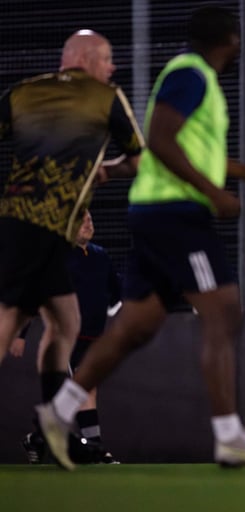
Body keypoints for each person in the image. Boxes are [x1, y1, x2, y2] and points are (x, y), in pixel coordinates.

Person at [36, 5, 245, 470]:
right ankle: (229, 436)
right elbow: (159, 138)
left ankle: (57, 412)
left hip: (156, 211)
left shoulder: (199, 82)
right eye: (237, 38)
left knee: (135, 327)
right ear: (229, 40)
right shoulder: (190, 74)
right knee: (223, 310)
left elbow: (191, 148)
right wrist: (214, 195)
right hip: (175, 214)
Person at [0, 28, 142, 430]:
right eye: (107, 58)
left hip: (26, 225)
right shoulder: (105, 97)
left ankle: (52, 421)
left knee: (66, 322)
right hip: (41, 226)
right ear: (86, 59)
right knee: (9, 317)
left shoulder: (21, 92)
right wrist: (108, 170)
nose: (112, 66)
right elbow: (139, 160)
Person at [13, 210, 121, 464]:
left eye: (91, 220)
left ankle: (48, 441)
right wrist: (21, 334)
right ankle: (87, 447)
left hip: (93, 338)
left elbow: (115, 292)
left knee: (86, 392)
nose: (88, 224)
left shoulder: (100, 255)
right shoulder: (57, 256)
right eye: (82, 221)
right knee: (76, 393)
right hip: (65, 339)